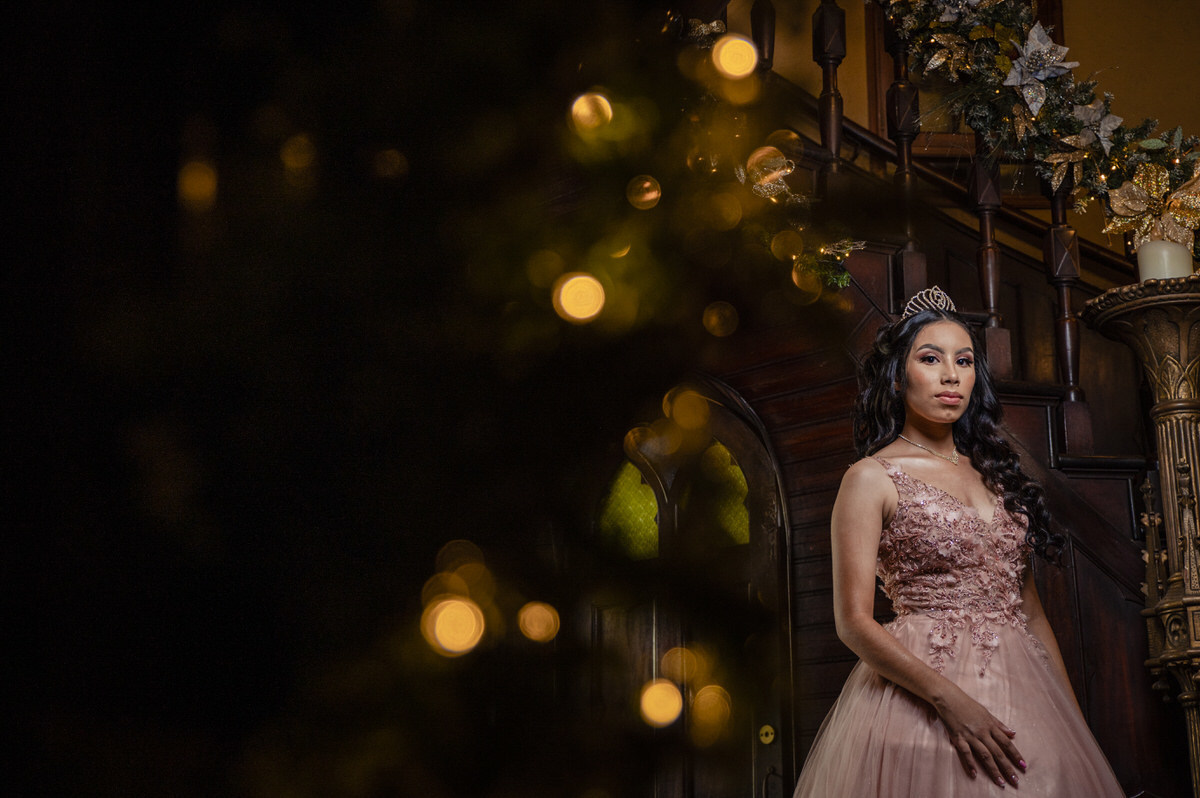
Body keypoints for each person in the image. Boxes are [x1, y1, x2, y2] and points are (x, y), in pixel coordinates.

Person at [792, 287, 1124, 796]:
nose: (951, 375)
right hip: (921, 692)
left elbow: (1030, 611)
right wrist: (951, 702)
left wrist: (1072, 719)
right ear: (899, 375)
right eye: (931, 358)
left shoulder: (997, 475)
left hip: (1027, 691)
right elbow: (853, 622)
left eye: (964, 361)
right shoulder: (870, 477)